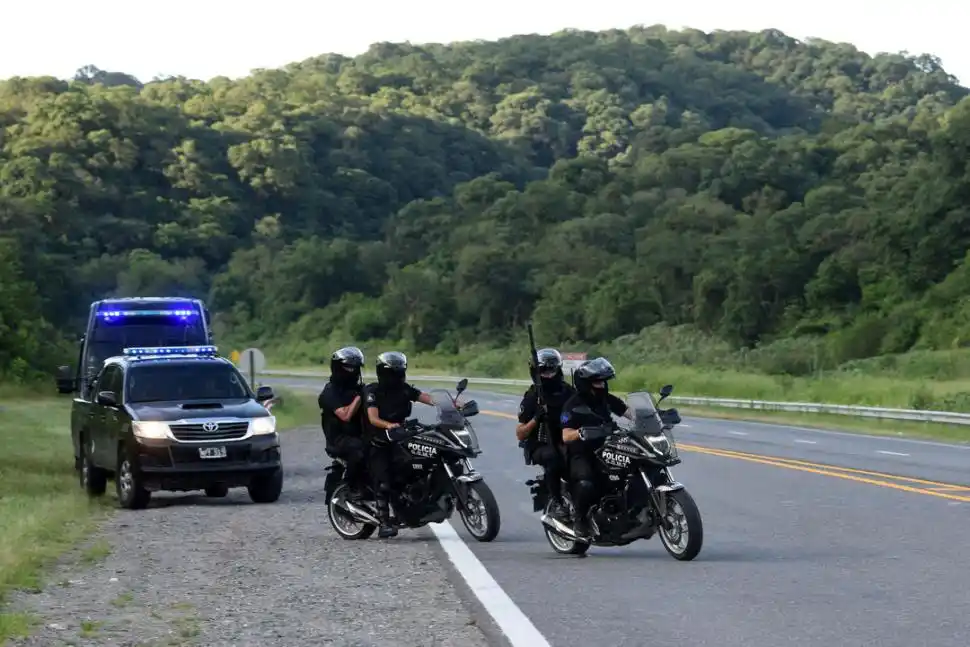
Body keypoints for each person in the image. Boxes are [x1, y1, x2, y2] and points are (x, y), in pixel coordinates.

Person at [364, 350, 435, 538]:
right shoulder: (373, 391)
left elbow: (427, 398)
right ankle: (384, 522)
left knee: (419, 465)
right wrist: (389, 425)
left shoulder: (405, 389)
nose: (397, 376)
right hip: (379, 439)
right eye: (393, 372)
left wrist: (455, 405)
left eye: (399, 371)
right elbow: (372, 418)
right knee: (384, 480)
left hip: (401, 436)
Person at [560, 357, 632, 538]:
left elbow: (630, 412)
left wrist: (653, 416)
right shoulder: (572, 405)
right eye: (597, 382)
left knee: (635, 466)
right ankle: (580, 520)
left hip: (609, 447)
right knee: (586, 483)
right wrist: (581, 432)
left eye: (603, 381)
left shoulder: (607, 399)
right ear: (586, 383)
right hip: (583, 452)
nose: (602, 385)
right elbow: (566, 435)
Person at [515, 348, 575, 519]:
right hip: (542, 443)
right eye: (544, 371)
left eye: (552, 370)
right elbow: (520, 433)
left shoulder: (568, 391)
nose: (549, 375)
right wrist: (537, 418)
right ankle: (557, 502)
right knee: (554, 459)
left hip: (567, 439)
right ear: (536, 372)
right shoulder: (532, 396)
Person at [319, 346, 368, 504]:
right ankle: (351, 488)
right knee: (361, 450)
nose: (353, 372)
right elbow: (345, 415)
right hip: (339, 439)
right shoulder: (329, 393)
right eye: (349, 367)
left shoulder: (358, 389)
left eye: (356, 368)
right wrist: (360, 397)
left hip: (360, 434)